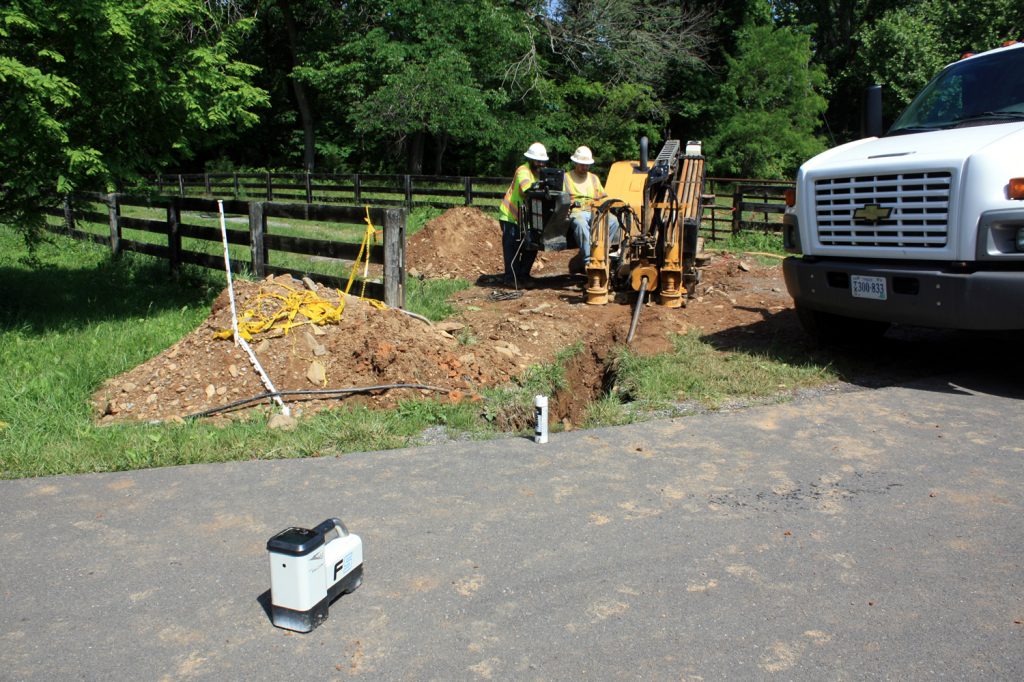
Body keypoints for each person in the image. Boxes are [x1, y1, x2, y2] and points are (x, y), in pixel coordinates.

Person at [496, 142, 548, 287]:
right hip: (511, 216)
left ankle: (524, 276)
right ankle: (510, 278)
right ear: (531, 159)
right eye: (538, 161)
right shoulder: (523, 170)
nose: (541, 164)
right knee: (512, 247)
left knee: (531, 246)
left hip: (527, 218)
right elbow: (526, 189)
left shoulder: (540, 174)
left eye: (542, 162)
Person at [563, 145, 620, 271]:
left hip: (594, 210)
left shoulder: (594, 178)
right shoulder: (566, 178)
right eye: (582, 164)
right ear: (575, 163)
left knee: (614, 222)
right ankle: (589, 260)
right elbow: (561, 199)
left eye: (587, 165)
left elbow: (602, 196)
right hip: (577, 211)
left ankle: (602, 254)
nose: (585, 167)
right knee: (580, 224)